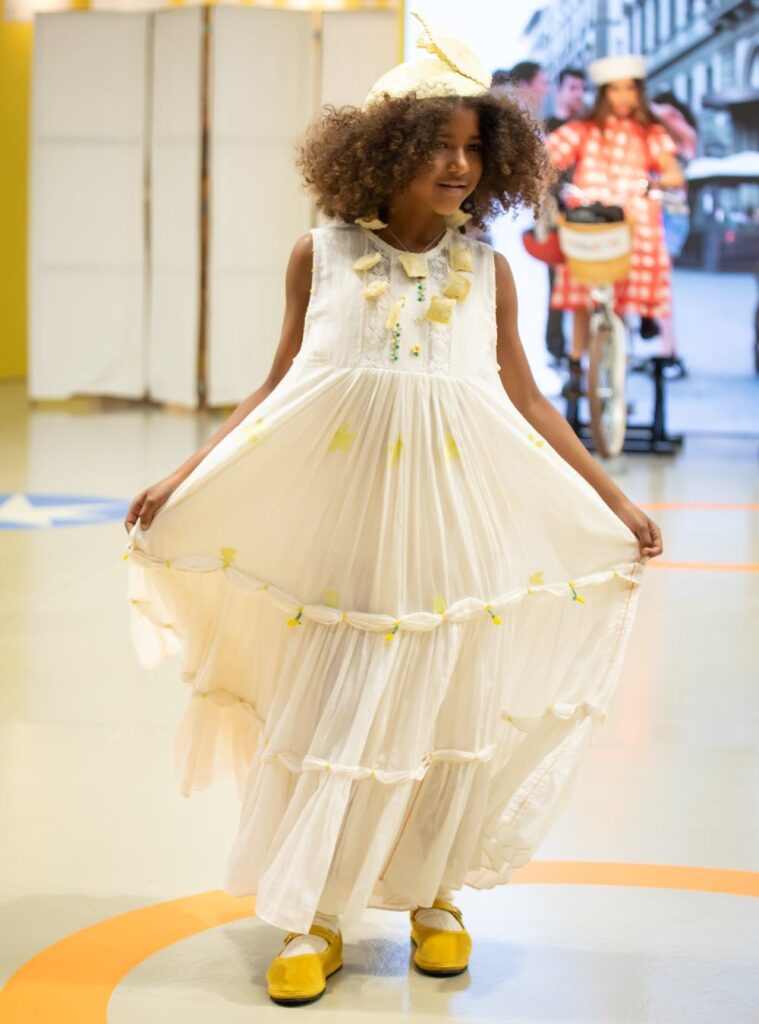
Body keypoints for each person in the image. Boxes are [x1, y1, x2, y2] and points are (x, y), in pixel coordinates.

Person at [124, 15, 662, 1008]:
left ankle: (435, 898)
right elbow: (278, 385)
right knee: (332, 710)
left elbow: (528, 398)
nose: (458, 166)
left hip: (455, 533)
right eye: (436, 145)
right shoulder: (320, 255)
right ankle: (315, 914)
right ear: (381, 153)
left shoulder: (487, 271)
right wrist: (187, 475)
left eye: (474, 148)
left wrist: (614, 497)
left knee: (444, 710)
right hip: (347, 536)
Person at [546, 55, 685, 396]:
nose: (624, 96)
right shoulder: (583, 129)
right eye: (616, 89)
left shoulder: (650, 132)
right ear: (603, 93)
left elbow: (673, 173)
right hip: (591, 215)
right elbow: (549, 156)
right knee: (581, 287)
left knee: (636, 262)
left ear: (639, 93)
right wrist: (548, 186)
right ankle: (576, 362)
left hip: (631, 216)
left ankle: (640, 321)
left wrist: (656, 182)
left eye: (630, 89)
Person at [544, 68, 587, 362]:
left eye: (582, 88)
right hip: (555, 215)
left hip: (586, 214)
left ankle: (583, 346)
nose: (578, 94)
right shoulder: (548, 127)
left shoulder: (588, 127)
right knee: (556, 281)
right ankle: (556, 345)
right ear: (559, 91)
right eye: (572, 87)